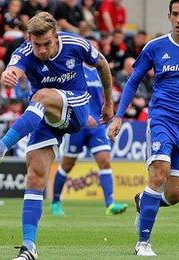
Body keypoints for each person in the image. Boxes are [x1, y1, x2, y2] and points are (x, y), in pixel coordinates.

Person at [0, 12, 114, 259]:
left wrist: (108, 103)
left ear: (56, 36)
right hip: (46, 114)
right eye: (37, 44)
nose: (42, 49)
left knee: (41, 95)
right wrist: (7, 75)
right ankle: (29, 248)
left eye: (47, 43)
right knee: (35, 175)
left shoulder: (76, 44)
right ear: (29, 39)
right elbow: (13, 69)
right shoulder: (24, 51)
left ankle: (0, 148)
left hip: (77, 108)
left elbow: (103, 65)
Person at [107, 0, 179, 256]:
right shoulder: (155, 47)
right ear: (169, 16)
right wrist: (118, 116)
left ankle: (143, 201)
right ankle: (143, 243)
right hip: (161, 119)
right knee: (159, 174)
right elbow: (132, 81)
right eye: (175, 14)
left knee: (176, 193)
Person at [50, 63, 128, 216]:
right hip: (77, 125)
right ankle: (56, 202)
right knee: (67, 165)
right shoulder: (74, 70)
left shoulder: (100, 72)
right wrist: (83, 116)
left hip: (97, 127)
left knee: (105, 161)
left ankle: (110, 204)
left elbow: (107, 97)